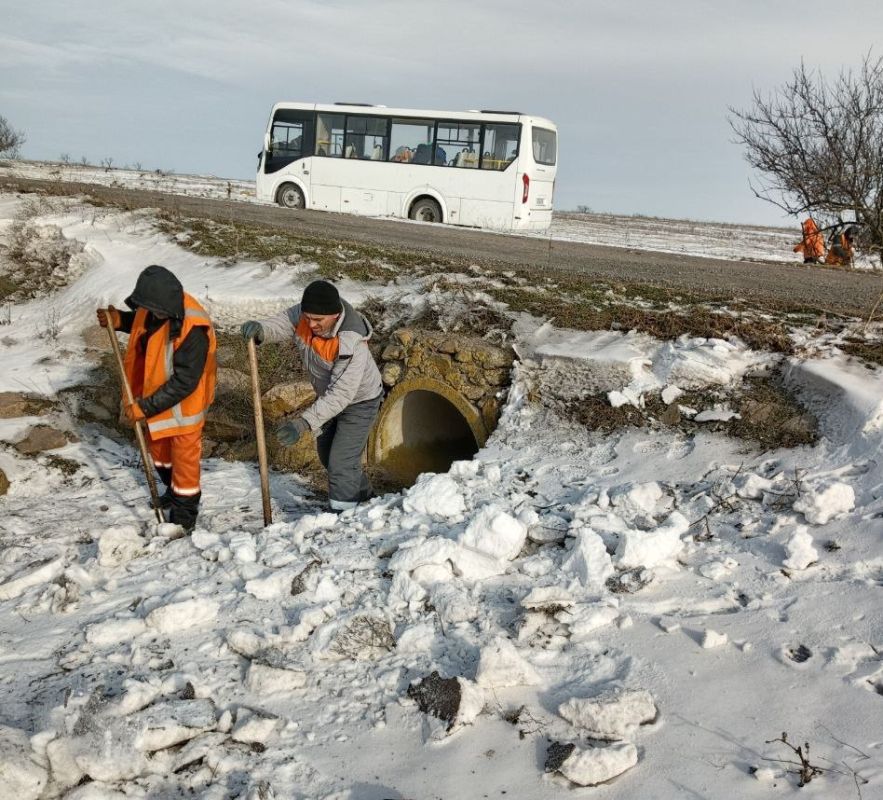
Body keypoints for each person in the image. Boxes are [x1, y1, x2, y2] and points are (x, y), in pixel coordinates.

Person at [240, 280, 383, 511]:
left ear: (335, 315)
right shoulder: (306, 315)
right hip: (327, 395)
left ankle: (343, 518)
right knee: (328, 456)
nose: (311, 324)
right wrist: (261, 330)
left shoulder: (350, 341)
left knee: (341, 462)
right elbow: (284, 321)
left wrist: (303, 423)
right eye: (308, 318)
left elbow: (341, 394)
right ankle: (367, 499)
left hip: (359, 402)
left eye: (318, 320)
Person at [97, 265, 217, 532]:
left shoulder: (194, 328)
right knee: (161, 455)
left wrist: (144, 407)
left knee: (185, 469)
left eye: (158, 311)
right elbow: (144, 326)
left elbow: (185, 382)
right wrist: (120, 321)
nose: (154, 315)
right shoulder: (154, 307)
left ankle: (184, 518)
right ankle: (171, 491)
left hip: (184, 408)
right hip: (157, 402)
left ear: (169, 306)